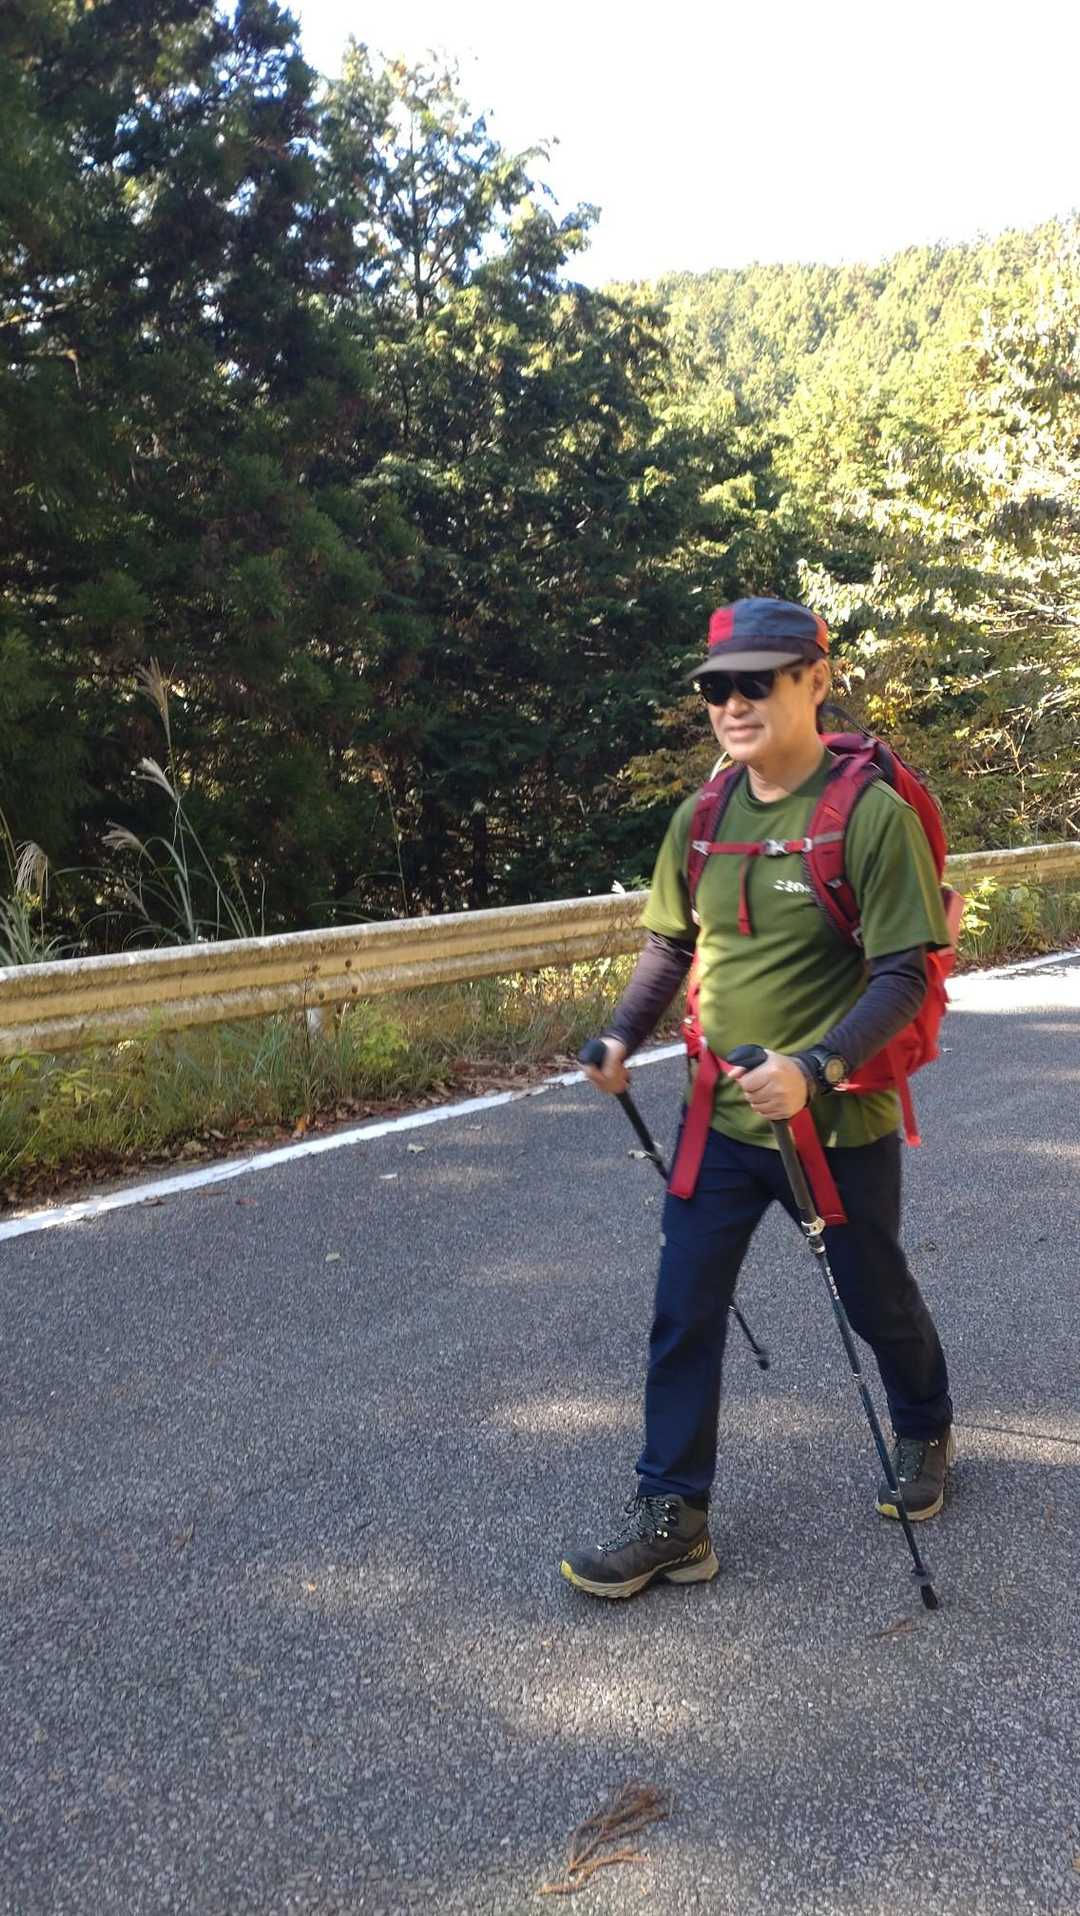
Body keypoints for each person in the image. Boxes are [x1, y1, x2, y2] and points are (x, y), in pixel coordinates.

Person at [561, 597, 954, 1600]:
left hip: (834, 1123)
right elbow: (670, 945)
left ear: (815, 680)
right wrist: (621, 1034)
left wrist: (812, 1068)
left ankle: (925, 1424)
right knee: (683, 1312)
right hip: (722, 1121)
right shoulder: (703, 816)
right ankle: (673, 1515)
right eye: (715, 686)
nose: (731, 703)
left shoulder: (868, 815)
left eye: (756, 681)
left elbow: (903, 974)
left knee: (875, 1297)